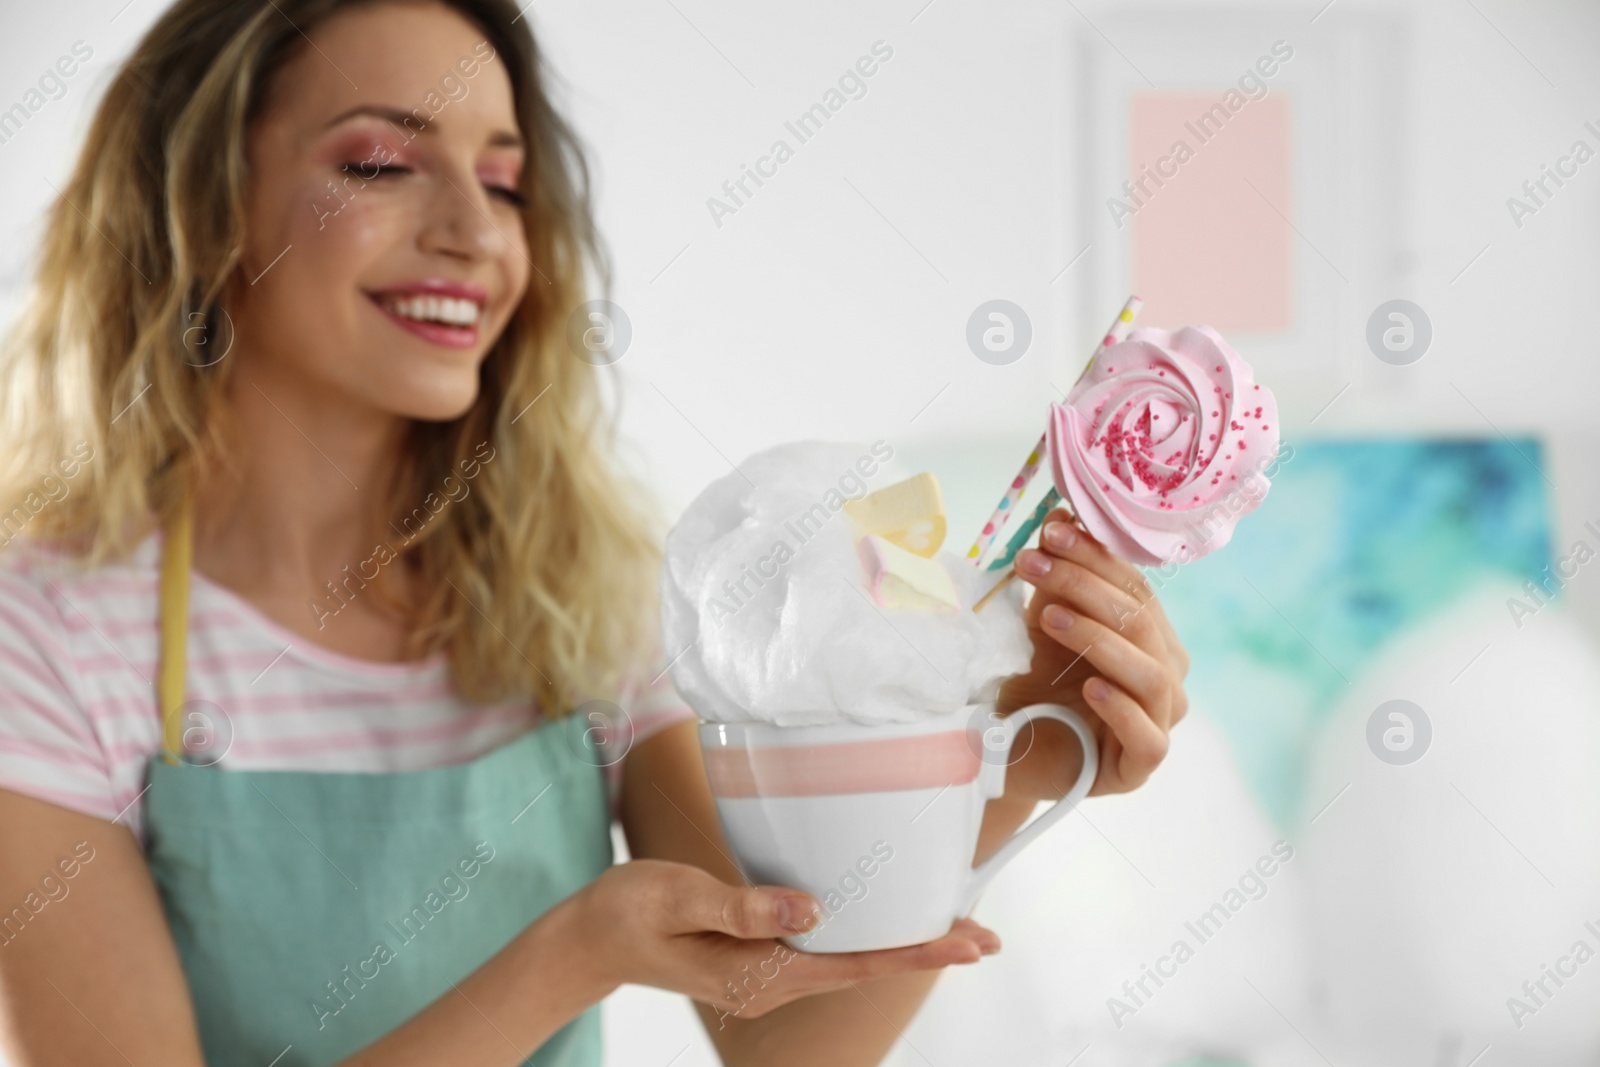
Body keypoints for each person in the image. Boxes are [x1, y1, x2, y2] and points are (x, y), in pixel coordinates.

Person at [0, 1, 1190, 1064]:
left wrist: (1019, 753)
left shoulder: (582, 593)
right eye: (378, 164)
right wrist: (571, 955)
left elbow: (776, 1018)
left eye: (506, 181)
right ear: (202, 211)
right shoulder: (45, 638)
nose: (475, 229)